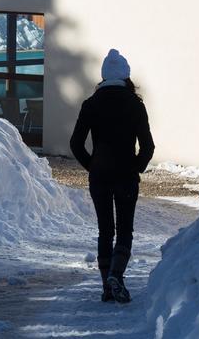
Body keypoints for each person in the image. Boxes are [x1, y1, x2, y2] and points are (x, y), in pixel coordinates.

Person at [69, 48, 155, 304]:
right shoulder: (135, 105)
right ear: (126, 76)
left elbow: (75, 143)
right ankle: (116, 275)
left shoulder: (91, 104)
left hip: (100, 176)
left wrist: (92, 166)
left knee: (105, 230)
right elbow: (148, 146)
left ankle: (107, 285)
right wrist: (136, 167)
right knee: (124, 229)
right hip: (126, 175)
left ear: (104, 77)